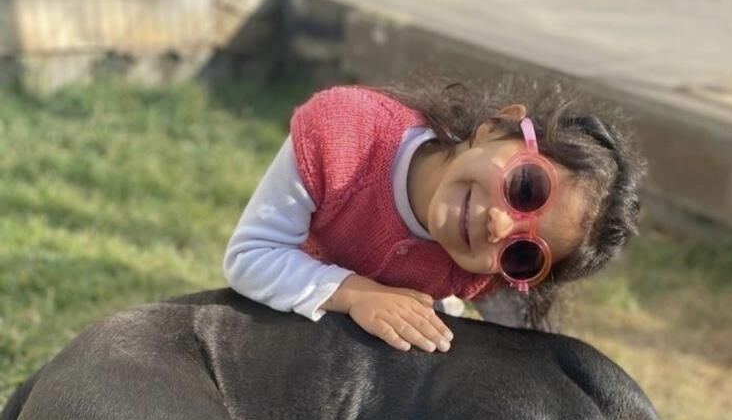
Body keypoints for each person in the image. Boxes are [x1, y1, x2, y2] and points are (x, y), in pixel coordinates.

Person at [223, 78, 644, 351]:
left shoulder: (484, 274)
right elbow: (252, 255)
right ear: (496, 127)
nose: (499, 226)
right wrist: (356, 294)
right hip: (280, 340)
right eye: (526, 189)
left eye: (522, 254)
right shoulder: (343, 133)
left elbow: (526, 349)